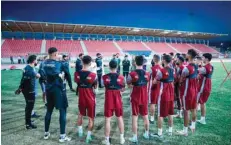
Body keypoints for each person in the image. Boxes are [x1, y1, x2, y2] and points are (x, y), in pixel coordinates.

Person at [42, 47, 71, 142]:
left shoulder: (44, 63)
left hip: (48, 89)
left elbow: (42, 76)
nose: (58, 55)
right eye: (57, 54)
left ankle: (46, 133)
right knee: (62, 111)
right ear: (55, 54)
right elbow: (68, 75)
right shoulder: (60, 64)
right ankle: (62, 136)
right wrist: (70, 86)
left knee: (49, 111)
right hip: (58, 90)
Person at [101, 60, 126, 145]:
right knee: (119, 118)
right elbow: (123, 88)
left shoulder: (104, 77)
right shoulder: (121, 77)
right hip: (118, 99)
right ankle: (122, 139)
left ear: (109, 66)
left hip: (109, 99)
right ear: (117, 67)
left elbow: (103, 85)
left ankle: (107, 140)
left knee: (107, 119)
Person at [127, 55, 150, 143]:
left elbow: (129, 85)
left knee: (135, 117)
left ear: (135, 62)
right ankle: (147, 134)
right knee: (145, 116)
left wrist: (133, 85)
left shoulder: (131, 74)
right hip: (144, 97)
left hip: (135, 98)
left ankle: (135, 137)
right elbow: (146, 83)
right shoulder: (147, 73)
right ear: (143, 63)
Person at [74, 55, 97, 143]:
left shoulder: (77, 73)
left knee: (80, 114)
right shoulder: (93, 75)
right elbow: (95, 86)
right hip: (90, 98)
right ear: (90, 63)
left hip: (81, 98)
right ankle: (88, 137)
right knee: (91, 118)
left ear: (82, 62)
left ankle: (80, 132)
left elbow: (77, 82)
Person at [151, 54, 174, 138]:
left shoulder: (161, 71)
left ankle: (159, 133)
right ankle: (170, 130)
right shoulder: (173, 70)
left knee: (160, 114)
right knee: (170, 113)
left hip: (163, 93)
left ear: (164, 60)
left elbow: (154, 81)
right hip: (171, 93)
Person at [15, 55, 40, 129]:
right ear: (33, 61)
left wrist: (20, 88)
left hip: (26, 90)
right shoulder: (30, 69)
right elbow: (37, 75)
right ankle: (28, 124)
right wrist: (37, 75)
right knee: (29, 107)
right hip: (30, 91)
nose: (37, 61)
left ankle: (28, 121)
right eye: (36, 60)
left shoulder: (27, 67)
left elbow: (24, 79)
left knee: (28, 106)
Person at [177, 49, 198, 136]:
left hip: (187, 91)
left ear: (189, 56)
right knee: (193, 108)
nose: (185, 54)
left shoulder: (187, 68)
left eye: (187, 53)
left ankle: (185, 131)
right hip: (194, 90)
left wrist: (180, 81)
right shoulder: (196, 66)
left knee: (186, 110)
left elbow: (181, 79)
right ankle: (193, 126)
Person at [197, 53, 213, 125]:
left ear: (206, 59)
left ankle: (202, 119)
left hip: (203, 87)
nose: (202, 59)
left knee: (201, 103)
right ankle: (202, 119)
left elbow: (197, 74)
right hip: (207, 86)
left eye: (203, 58)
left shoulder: (205, 68)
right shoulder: (211, 66)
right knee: (202, 103)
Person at [148, 54, 162, 124]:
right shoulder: (162, 68)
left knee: (152, 103)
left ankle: (152, 118)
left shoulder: (151, 69)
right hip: (160, 88)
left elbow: (148, 78)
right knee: (158, 102)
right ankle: (159, 116)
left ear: (153, 60)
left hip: (153, 88)